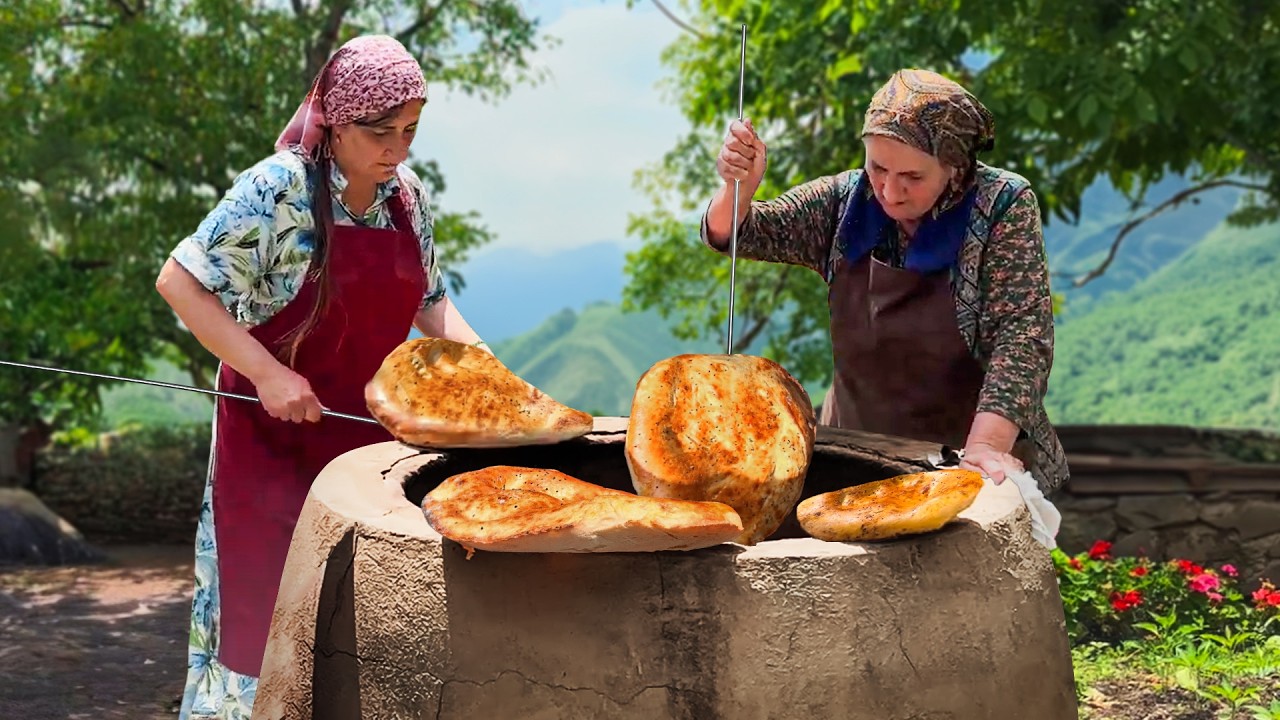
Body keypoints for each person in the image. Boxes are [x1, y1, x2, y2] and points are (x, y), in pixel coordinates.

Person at [155, 35, 488, 718]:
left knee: (351, 637)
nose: (396, 149)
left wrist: (494, 383)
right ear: (334, 121)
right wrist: (269, 374)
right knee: (261, 630)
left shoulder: (406, 199)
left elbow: (430, 302)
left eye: (409, 131)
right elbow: (181, 284)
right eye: (379, 132)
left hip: (360, 454)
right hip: (265, 449)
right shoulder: (276, 190)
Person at [703, 68, 1069, 493]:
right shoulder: (844, 201)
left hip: (967, 455)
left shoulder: (1002, 205)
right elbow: (741, 234)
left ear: (954, 168)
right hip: (854, 453)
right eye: (878, 168)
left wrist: (986, 446)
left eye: (912, 177)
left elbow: (1022, 335)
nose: (890, 192)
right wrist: (739, 190)